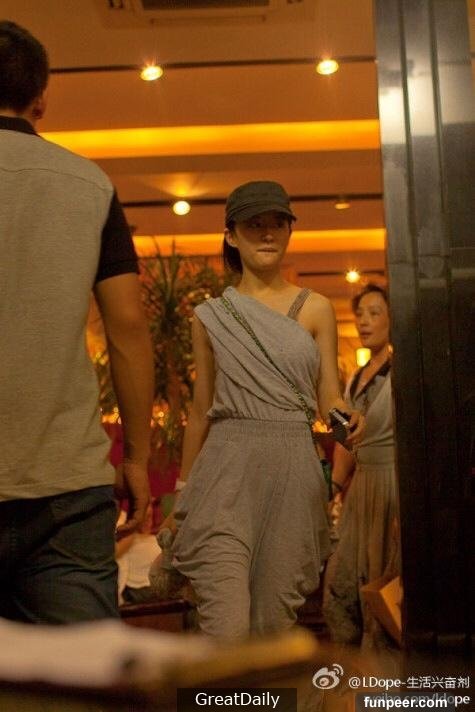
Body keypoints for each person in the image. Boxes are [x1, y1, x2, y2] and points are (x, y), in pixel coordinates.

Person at [0, 21, 154, 623]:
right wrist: (136, 458)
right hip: (66, 490)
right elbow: (128, 327)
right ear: (41, 99)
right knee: (85, 669)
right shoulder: (89, 184)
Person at [163, 180, 365, 640]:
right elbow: (200, 409)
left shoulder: (315, 308)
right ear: (231, 235)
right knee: (226, 625)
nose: (268, 233)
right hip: (225, 470)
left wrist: (348, 418)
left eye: (278, 223)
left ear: (290, 231)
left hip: (293, 472)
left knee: (271, 626)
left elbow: (328, 398)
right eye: (255, 225)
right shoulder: (211, 316)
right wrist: (181, 495)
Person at [323, 284, 399, 648]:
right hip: (360, 491)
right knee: (340, 585)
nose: (364, 321)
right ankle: (352, 670)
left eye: (374, 313)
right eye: (359, 314)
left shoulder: (402, 370)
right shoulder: (354, 376)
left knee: (384, 589)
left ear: (392, 318)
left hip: (392, 486)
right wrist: (333, 488)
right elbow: (345, 443)